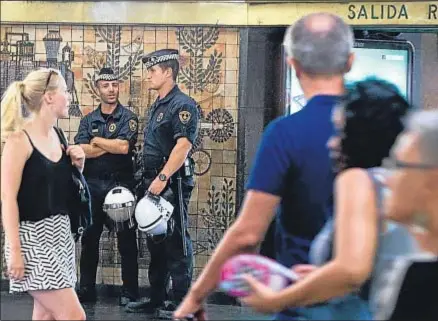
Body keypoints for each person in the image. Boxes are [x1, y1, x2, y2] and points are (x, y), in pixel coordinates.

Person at [174, 13, 354, 320]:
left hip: (302, 306)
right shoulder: (386, 129)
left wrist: (195, 296)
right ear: (350, 62)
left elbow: (247, 233)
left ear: (292, 63)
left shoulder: (286, 134)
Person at [239, 79, 416, 319]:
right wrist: (321, 276)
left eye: (341, 132)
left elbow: (351, 271)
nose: (332, 143)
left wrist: (277, 300)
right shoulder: (399, 185)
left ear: (361, 137)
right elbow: (376, 270)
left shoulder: (357, 180)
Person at [1, 68, 86, 320]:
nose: (69, 96)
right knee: (74, 316)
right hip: (32, 238)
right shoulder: (19, 140)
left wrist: (79, 166)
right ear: (49, 97)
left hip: (60, 235)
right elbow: (7, 198)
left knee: (46, 316)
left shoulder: (58, 136)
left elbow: (61, 189)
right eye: (64, 91)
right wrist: (14, 249)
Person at [125, 49, 199, 319]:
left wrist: (163, 178)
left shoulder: (183, 105)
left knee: (177, 241)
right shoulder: (159, 104)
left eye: (153, 71)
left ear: (168, 72)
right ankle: (157, 298)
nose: (148, 76)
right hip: (153, 181)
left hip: (172, 182)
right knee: (156, 240)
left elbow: (183, 146)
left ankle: (182, 304)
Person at [74, 67, 139, 306]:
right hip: (93, 187)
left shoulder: (128, 117)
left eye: (114, 85)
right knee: (90, 240)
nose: (111, 90)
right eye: (105, 86)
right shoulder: (88, 119)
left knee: (126, 241)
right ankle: (87, 290)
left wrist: (98, 142)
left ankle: (130, 293)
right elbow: (81, 151)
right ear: (97, 88)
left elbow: (124, 148)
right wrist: (108, 145)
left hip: (120, 186)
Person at [372, 109, 438, 320]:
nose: (387, 178)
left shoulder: (423, 282)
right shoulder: (417, 274)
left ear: (432, 180)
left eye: (398, 166)